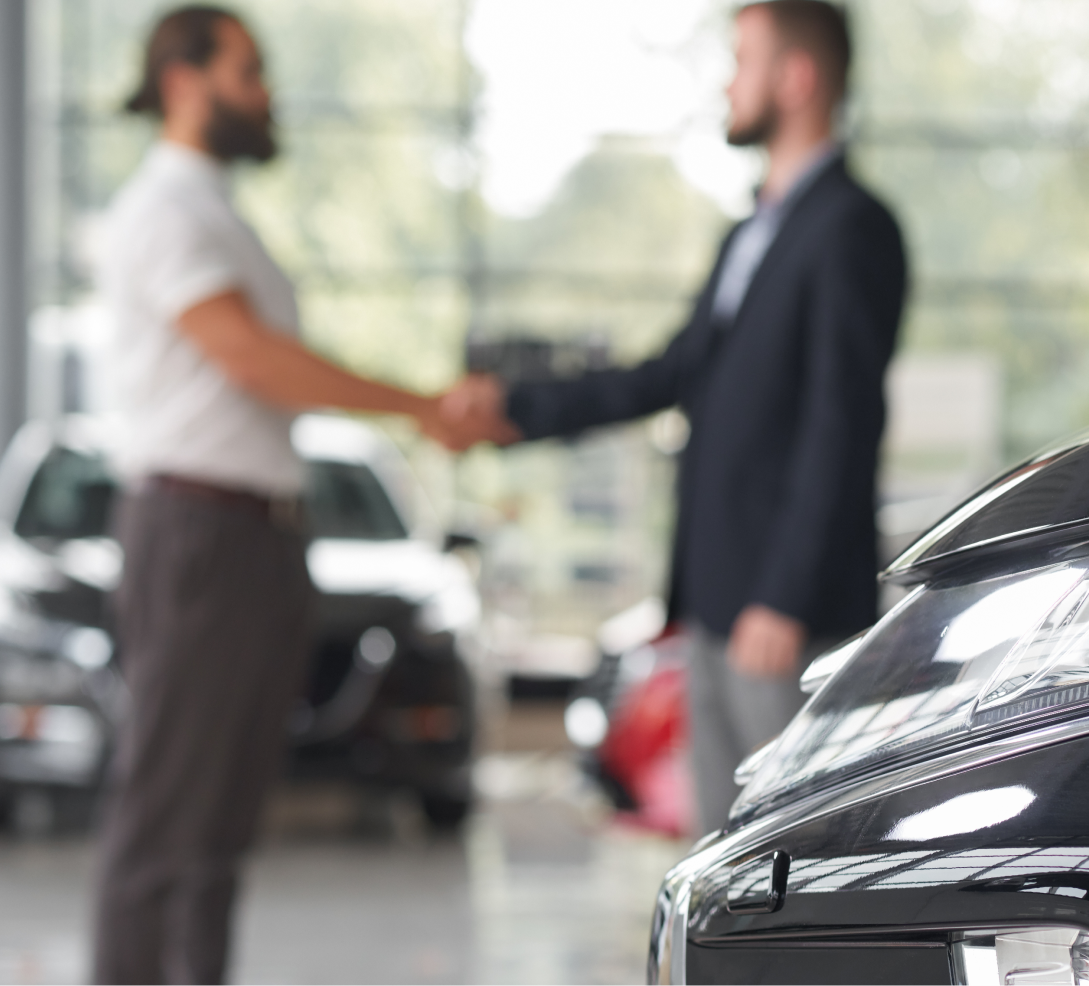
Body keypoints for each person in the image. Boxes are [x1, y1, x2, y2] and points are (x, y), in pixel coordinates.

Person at [449, 0, 907, 834]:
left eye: (742, 62)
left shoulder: (851, 229)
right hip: (714, 597)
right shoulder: (750, 234)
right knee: (724, 848)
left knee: (790, 850)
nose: (727, 84)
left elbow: (841, 425)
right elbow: (670, 373)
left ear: (796, 78)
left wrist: (784, 594)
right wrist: (514, 409)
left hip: (778, 609)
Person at [90, 8, 480, 984]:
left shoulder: (214, 211)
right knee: (164, 818)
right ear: (185, 79)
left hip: (252, 539)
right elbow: (252, 359)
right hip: (199, 535)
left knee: (217, 827)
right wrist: (420, 404)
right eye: (249, 71)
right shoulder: (166, 209)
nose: (266, 93)